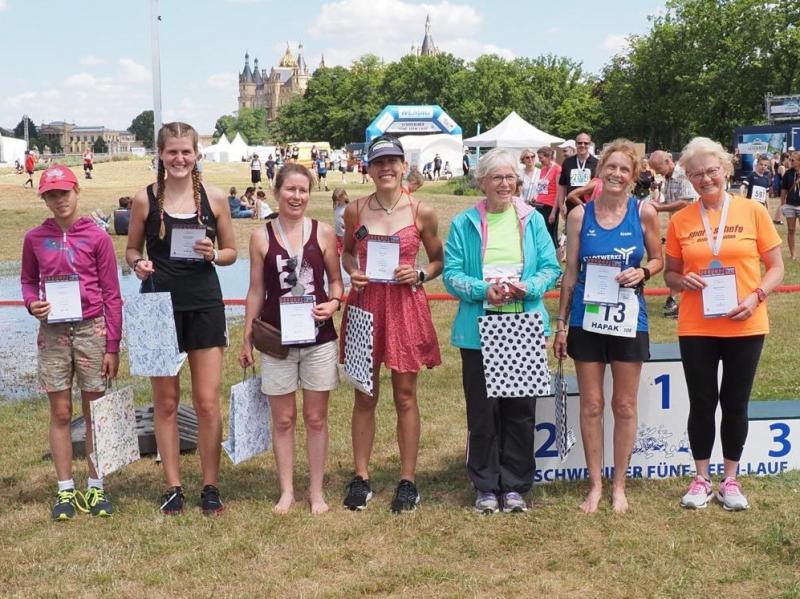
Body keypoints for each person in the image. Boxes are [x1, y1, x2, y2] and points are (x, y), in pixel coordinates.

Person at [664, 137, 784, 510]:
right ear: (689, 178)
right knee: (702, 402)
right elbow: (670, 274)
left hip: (745, 322)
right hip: (697, 326)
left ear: (726, 170)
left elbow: (776, 268)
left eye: (711, 171)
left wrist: (757, 296)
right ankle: (701, 478)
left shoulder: (753, 211)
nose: (705, 179)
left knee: (735, 402)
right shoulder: (681, 219)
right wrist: (681, 280)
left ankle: (730, 479)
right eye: (696, 174)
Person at [126, 121, 237, 516]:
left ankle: (210, 486)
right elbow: (132, 250)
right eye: (172, 151)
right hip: (158, 308)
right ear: (160, 154)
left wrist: (214, 254)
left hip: (204, 305)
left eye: (186, 151)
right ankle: (173, 487)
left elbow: (232, 252)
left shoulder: (215, 198)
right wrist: (138, 264)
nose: (179, 158)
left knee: (207, 402)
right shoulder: (144, 199)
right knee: (166, 402)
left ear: (197, 154)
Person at [443, 148, 561, 514]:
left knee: (520, 410)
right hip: (479, 329)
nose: (505, 184)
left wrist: (530, 288)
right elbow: (451, 274)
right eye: (497, 177)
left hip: (522, 324)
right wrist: (483, 290)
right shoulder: (464, 223)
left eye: (510, 177)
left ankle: (515, 486)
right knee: (483, 411)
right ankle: (485, 485)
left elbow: (550, 267)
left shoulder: (533, 219)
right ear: (482, 182)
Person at [554, 138, 663, 514]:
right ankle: (595, 484)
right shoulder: (579, 216)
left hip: (629, 318)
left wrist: (643, 271)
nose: (616, 174)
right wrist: (561, 324)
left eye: (624, 169)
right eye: (610, 167)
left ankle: (619, 486)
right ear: (599, 172)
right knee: (592, 405)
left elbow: (659, 258)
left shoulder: (644, 212)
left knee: (625, 405)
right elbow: (570, 274)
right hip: (587, 318)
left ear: (633, 176)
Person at [340, 135, 443, 513]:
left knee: (405, 395)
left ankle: (407, 480)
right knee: (364, 394)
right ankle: (361, 477)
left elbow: (438, 260)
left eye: (392, 161)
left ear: (403, 166)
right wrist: (353, 272)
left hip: (403, 307)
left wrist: (419, 274)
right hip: (366, 305)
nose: (386, 168)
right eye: (378, 162)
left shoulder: (421, 211)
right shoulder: (355, 210)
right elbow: (347, 253)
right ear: (368, 169)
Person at [240, 163, 343, 515]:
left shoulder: (323, 232)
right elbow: (256, 290)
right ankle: (286, 491)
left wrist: (334, 303)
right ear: (276, 192)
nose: (297, 196)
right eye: (290, 189)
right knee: (283, 419)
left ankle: (316, 491)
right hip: (276, 340)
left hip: (318, 339)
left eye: (303, 190)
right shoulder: (260, 237)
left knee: (316, 418)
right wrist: (246, 336)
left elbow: (336, 282)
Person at [21, 164, 122, 520]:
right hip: (53, 333)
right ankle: (65, 489)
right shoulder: (35, 238)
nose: (59, 200)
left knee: (94, 412)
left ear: (77, 191)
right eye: (51, 195)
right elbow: (28, 281)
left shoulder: (97, 237)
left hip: (92, 329)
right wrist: (32, 303)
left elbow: (112, 294)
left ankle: (96, 486)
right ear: (44, 199)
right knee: (61, 412)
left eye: (64, 192)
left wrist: (112, 345)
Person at [649, 149, 700, 318]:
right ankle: (674, 299)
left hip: (692, 226)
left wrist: (660, 208)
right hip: (678, 226)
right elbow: (670, 199)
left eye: (658, 168)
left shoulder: (683, 175)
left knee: (688, 264)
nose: (657, 173)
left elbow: (686, 202)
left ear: (667, 161)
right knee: (676, 264)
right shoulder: (668, 178)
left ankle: (681, 301)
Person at [558, 132, 598, 216]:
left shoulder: (597, 163)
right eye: (580, 143)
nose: (582, 145)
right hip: (571, 205)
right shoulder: (567, 162)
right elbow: (562, 185)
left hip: (590, 206)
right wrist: (561, 205)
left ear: (589, 145)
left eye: (586, 143)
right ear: (576, 144)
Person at [780, 150, 800, 260]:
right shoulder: (788, 173)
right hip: (790, 205)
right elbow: (784, 190)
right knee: (791, 229)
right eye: (790, 159)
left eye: (793, 160)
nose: (790, 161)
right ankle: (793, 254)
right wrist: (782, 205)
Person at [332, 188, 349, 256]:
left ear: (344, 197)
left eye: (339, 199)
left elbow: (350, 222)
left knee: (344, 251)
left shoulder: (346, 208)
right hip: (337, 233)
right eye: (337, 200)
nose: (338, 201)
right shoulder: (337, 206)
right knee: (338, 251)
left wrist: (346, 225)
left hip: (344, 234)